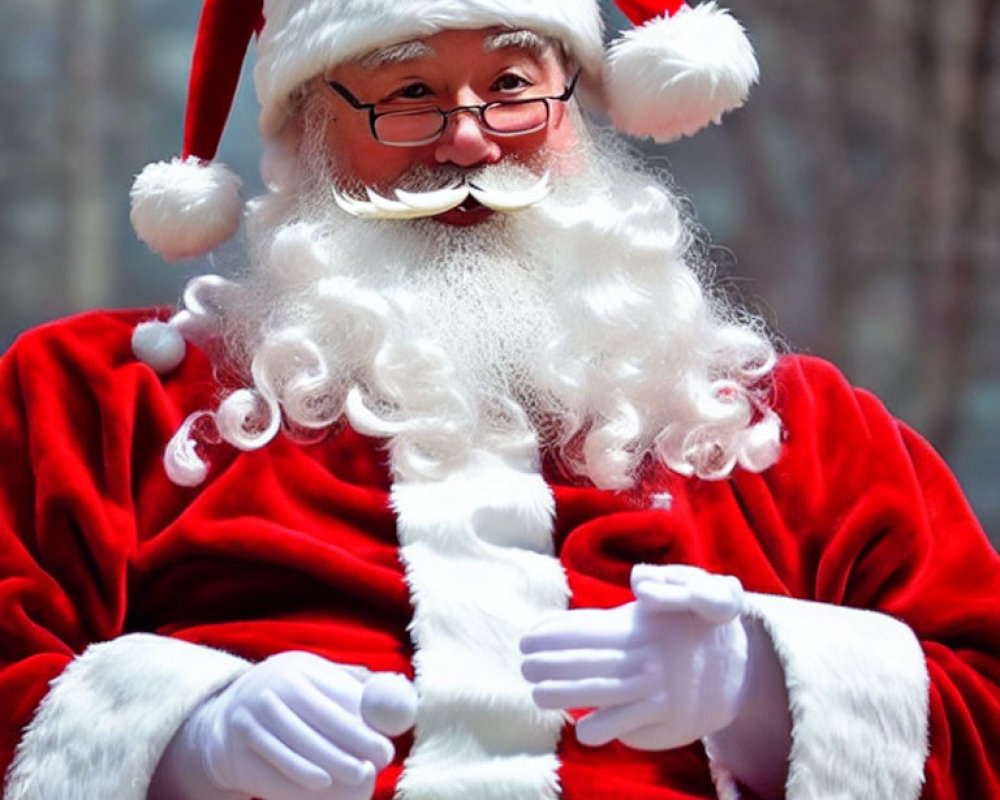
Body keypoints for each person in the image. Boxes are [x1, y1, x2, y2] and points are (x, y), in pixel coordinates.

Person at [1, 0, 998, 799]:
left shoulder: (791, 431)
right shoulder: (99, 403)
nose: (471, 140)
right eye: (409, 93)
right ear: (307, 132)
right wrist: (184, 738)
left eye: (514, 86)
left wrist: (758, 687)